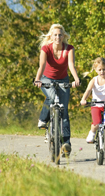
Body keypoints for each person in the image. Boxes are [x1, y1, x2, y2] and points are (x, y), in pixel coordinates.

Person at [34, 23, 80, 157]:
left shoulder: (69, 49)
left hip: (63, 80)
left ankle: (66, 143)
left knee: (64, 111)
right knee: (52, 97)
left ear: (64, 36)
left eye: (60, 35)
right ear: (51, 36)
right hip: (46, 79)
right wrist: (37, 79)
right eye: (55, 35)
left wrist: (76, 79)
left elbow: (71, 65)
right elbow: (41, 65)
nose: (58, 37)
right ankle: (43, 119)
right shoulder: (45, 48)